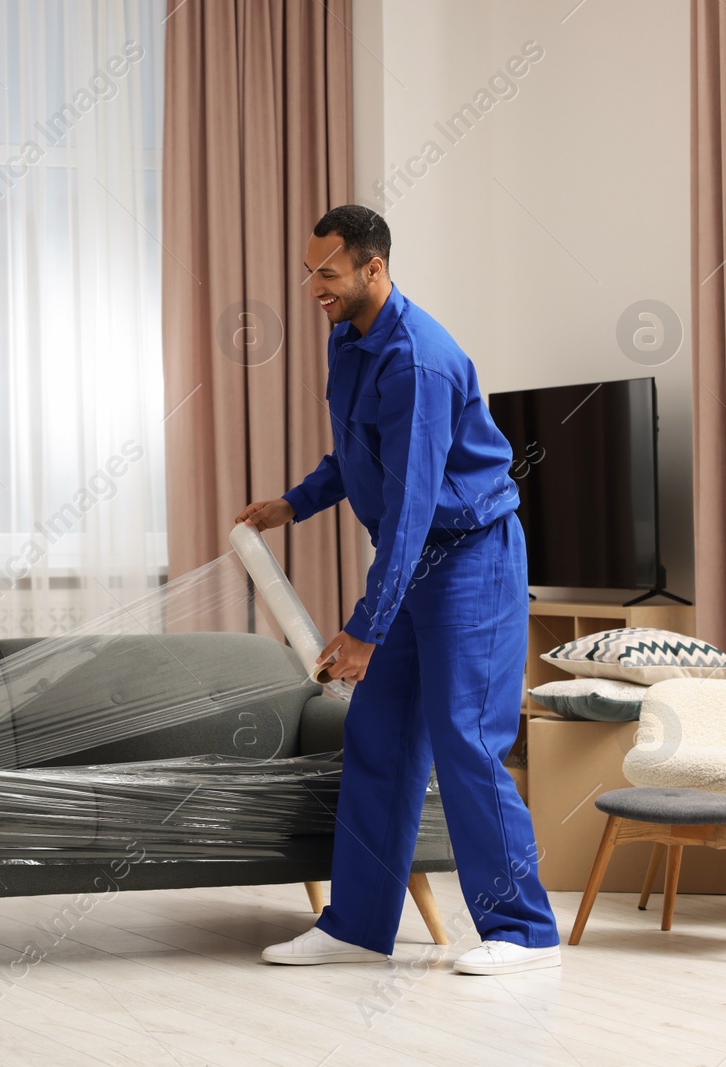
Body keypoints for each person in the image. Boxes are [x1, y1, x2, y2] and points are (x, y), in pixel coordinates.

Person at [237, 204, 560, 975]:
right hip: (415, 556)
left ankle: (524, 931)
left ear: (373, 268)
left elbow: (413, 501)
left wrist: (364, 628)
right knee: (378, 739)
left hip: (470, 558)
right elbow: (357, 448)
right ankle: (356, 924)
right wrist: (296, 501)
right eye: (309, 270)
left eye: (328, 272)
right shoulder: (348, 338)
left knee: (466, 740)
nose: (313, 285)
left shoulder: (418, 359)